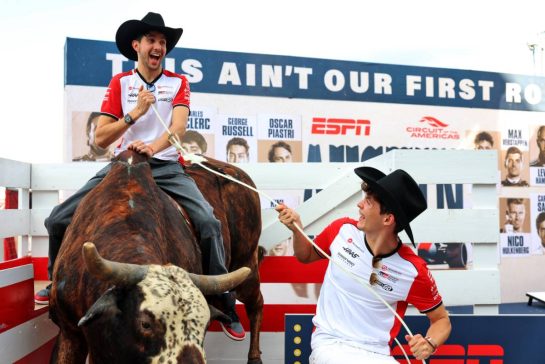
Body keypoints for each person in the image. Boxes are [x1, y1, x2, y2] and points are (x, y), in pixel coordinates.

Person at [34, 12, 245, 341]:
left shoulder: (178, 83)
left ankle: (224, 300)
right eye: (152, 40)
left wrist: (153, 147)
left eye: (163, 42)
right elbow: (101, 138)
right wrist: (134, 114)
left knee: (209, 222)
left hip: (165, 166)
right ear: (137, 46)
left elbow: (177, 129)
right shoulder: (120, 83)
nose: (158, 46)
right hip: (124, 166)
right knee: (58, 218)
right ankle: (56, 284)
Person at [276, 167, 451, 363]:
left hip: (378, 354)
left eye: (368, 202)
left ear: (387, 219)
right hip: (331, 344)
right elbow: (305, 255)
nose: (359, 205)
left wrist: (429, 343)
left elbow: (441, 320)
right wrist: (296, 228)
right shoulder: (341, 230)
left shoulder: (413, 270)